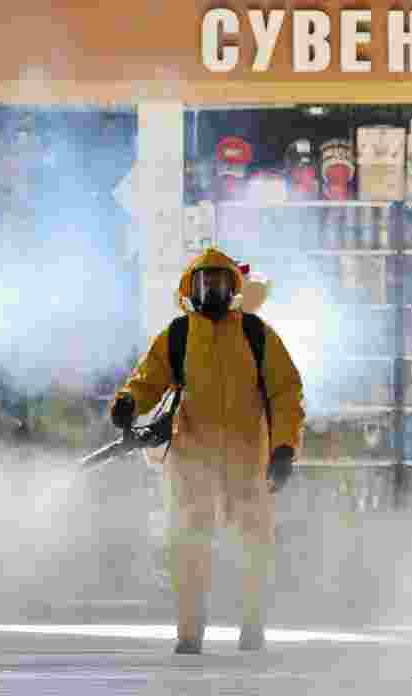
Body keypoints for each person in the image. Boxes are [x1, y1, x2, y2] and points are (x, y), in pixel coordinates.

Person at [111, 248, 304, 654]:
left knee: (255, 546)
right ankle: (189, 634)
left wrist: (284, 447)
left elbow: (286, 392)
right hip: (191, 458)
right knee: (187, 544)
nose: (211, 290)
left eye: (218, 283)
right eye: (204, 283)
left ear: (233, 287)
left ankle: (252, 627)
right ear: (191, 288)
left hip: (247, 457)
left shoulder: (256, 334)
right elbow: (147, 380)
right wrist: (129, 401)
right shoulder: (178, 335)